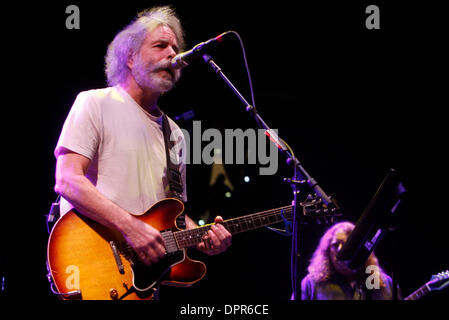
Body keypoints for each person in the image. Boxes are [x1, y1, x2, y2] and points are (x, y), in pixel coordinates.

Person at [53, 5, 232, 280]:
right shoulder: (95, 103)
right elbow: (67, 180)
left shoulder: (174, 134)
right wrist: (130, 227)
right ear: (131, 57)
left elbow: (174, 219)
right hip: (91, 265)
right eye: (161, 45)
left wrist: (203, 236)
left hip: (143, 282)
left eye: (175, 47)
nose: (173, 54)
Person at [294, 221, 397, 300]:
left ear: (361, 249)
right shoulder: (311, 284)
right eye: (335, 245)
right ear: (327, 252)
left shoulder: (384, 283)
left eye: (347, 244)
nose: (340, 249)